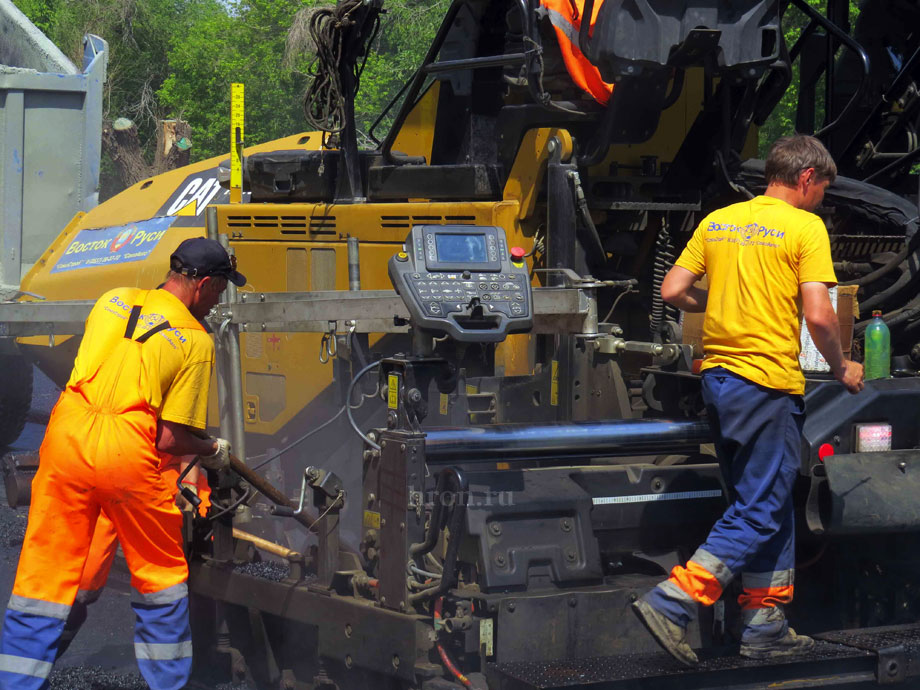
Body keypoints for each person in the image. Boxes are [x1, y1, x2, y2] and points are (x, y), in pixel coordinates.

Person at [632, 135, 864, 666]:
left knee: (766, 503)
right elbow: (821, 316)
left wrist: (718, 298)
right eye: (822, 190)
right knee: (760, 510)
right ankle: (673, 601)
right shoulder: (805, 227)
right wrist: (840, 365)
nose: (821, 202)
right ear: (806, 178)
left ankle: (765, 625)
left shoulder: (719, 221)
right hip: (766, 385)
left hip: (719, 381)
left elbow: (672, 290)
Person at [0, 237, 245, 690]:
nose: (217, 302)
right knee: (160, 578)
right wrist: (213, 451)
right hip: (127, 450)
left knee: (43, 577)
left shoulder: (112, 300)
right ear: (203, 285)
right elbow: (170, 437)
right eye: (220, 291)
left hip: (66, 436)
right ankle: (167, 682)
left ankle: (15, 682)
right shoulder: (195, 340)